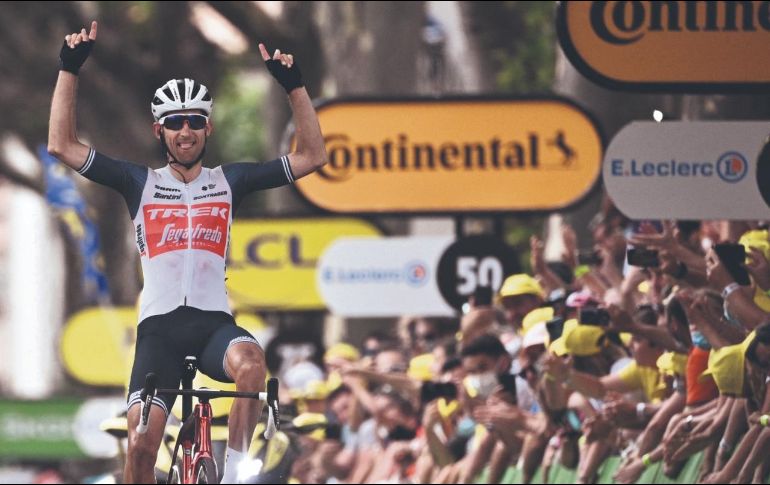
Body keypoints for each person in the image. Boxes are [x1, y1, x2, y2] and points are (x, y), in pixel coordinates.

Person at [48, 22, 327, 484]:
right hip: (159, 332)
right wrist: (68, 69)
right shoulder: (140, 183)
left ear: (208, 127)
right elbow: (62, 144)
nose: (186, 131)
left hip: (213, 325)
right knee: (140, 446)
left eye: (195, 121)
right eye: (175, 122)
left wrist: (295, 87)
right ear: (160, 130)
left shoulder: (230, 181)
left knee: (253, 365)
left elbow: (313, 156)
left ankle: (236, 471)